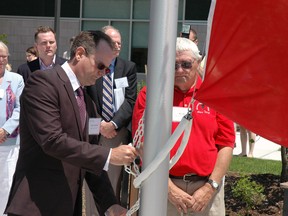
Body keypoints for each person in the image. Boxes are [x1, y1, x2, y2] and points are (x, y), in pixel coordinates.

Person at [5, 31, 138, 216]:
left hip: (67, 205)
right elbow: (52, 140)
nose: (103, 74)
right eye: (100, 65)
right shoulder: (43, 83)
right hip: (35, 205)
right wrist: (108, 155)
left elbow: (89, 156)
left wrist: (109, 203)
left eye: (107, 69)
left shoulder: (87, 101)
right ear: (80, 53)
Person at [132, 37, 235, 216]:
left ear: (198, 62)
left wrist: (211, 187)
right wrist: (168, 188)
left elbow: (226, 144)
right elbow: (142, 145)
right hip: (162, 187)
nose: (180, 70)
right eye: (174, 65)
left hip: (207, 189)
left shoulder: (215, 95)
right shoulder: (150, 95)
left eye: (186, 64)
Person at [87, 25, 137, 203]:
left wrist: (112, 124)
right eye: (112, 42)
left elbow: (131, 100)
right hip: (93, 128)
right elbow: (86, 98)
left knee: (114, 180)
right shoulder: (92, 65)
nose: (116, 46)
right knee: (92, 177)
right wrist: (100, 124)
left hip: (117, 132)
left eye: (119, 43)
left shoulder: (128, 67)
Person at [0, 41, 25, 214]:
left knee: (6, 183)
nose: (0, 59)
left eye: (3, 56)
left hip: (9, 141)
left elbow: (21, 107)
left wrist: (4, 130)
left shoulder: (16, 79)